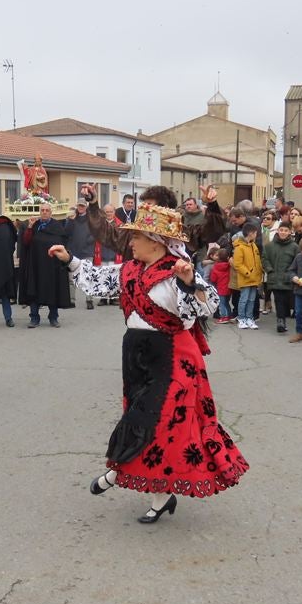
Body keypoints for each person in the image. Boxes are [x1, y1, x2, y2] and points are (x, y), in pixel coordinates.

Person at [50, 201, 248, 523]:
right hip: (137, 354)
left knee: (157, 425)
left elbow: (206, 306)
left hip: (173, 357)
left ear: (155, 242)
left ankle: (118, 470)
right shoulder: (130, 269)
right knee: (147, 422)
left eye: (135, 237)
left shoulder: (176, 270)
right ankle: (160, 496)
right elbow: (100, 280)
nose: (130, 243)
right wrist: (70, 261)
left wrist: (188, 284)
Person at [19, 203, 72, 327]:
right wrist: (30, 227)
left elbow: (63, 244)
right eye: (42, 210)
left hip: (52, 265)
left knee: (53, 290)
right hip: (35, 265)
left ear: (51, 212)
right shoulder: (33, 225)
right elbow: (26, 242)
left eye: (47, 210)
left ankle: (53, 317)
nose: (44, 212)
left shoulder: (57, 226)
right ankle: (34, 318)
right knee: (34, 290)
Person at [264, 221, 297, 332]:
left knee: (288, 299)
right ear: (277, 231)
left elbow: (297, 261)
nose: (283, 232)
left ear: (290, 232)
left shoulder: (294, 247)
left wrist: (292, 273)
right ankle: (280, 321)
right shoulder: (269, 246)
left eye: (286, 230)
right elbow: (264, 259)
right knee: (279, 299)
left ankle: (287, 317)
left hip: (289, 278)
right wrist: (269, 270)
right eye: (281, 230)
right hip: (275, 277)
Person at [231, 222, 263, 329]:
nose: (256, 235)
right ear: (250, 233)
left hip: (254, 278)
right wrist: (247, 273)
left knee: (251, 299)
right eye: (255, 233)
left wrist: (259, 272)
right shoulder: (240, 247)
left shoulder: (253, 245)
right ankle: (241, 318)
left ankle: (249, 318)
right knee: (244, 299)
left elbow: (257, 261)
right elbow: (238, 264)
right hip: (246, 278)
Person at [65, 199, 96, 308]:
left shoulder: (91, 218)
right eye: (79, 206)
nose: (81, 207)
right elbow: (66, 232)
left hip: (87, 251)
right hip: (73, 252)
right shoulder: (71, 218)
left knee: (88, 277)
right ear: (77, 206)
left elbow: (95, 233)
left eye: (83, 206)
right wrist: (71, 221)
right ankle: (72, 300)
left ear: (86, 207)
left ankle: (89, 300)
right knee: (71, 278)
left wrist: (89, 241)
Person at [208, 248, 233, 324]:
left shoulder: (216, 267)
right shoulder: (229, 266)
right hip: (228, 287)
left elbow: (213, 279)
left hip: (220, 288)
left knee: (222, 303)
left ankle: (223, 317)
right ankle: (228, 315)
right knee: (226, 302)